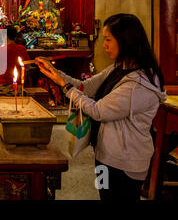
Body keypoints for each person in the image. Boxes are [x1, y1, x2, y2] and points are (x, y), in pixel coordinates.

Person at [35, 13, 167, 200]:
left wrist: (65, 87)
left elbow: (99, 111)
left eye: (108, 40)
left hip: (125, 162)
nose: (104, 45)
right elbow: (85, 87)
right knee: (105, 195)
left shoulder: (138, 84)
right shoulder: (119, 67)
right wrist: (54, 73)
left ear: (125, 41)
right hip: (104, 155)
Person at [0, 26, 31, 96]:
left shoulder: (1, 49)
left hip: (1, 85)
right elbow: (28, 66)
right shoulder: (22, 49)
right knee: (16, 105)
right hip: (17, 85)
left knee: (0, 106)